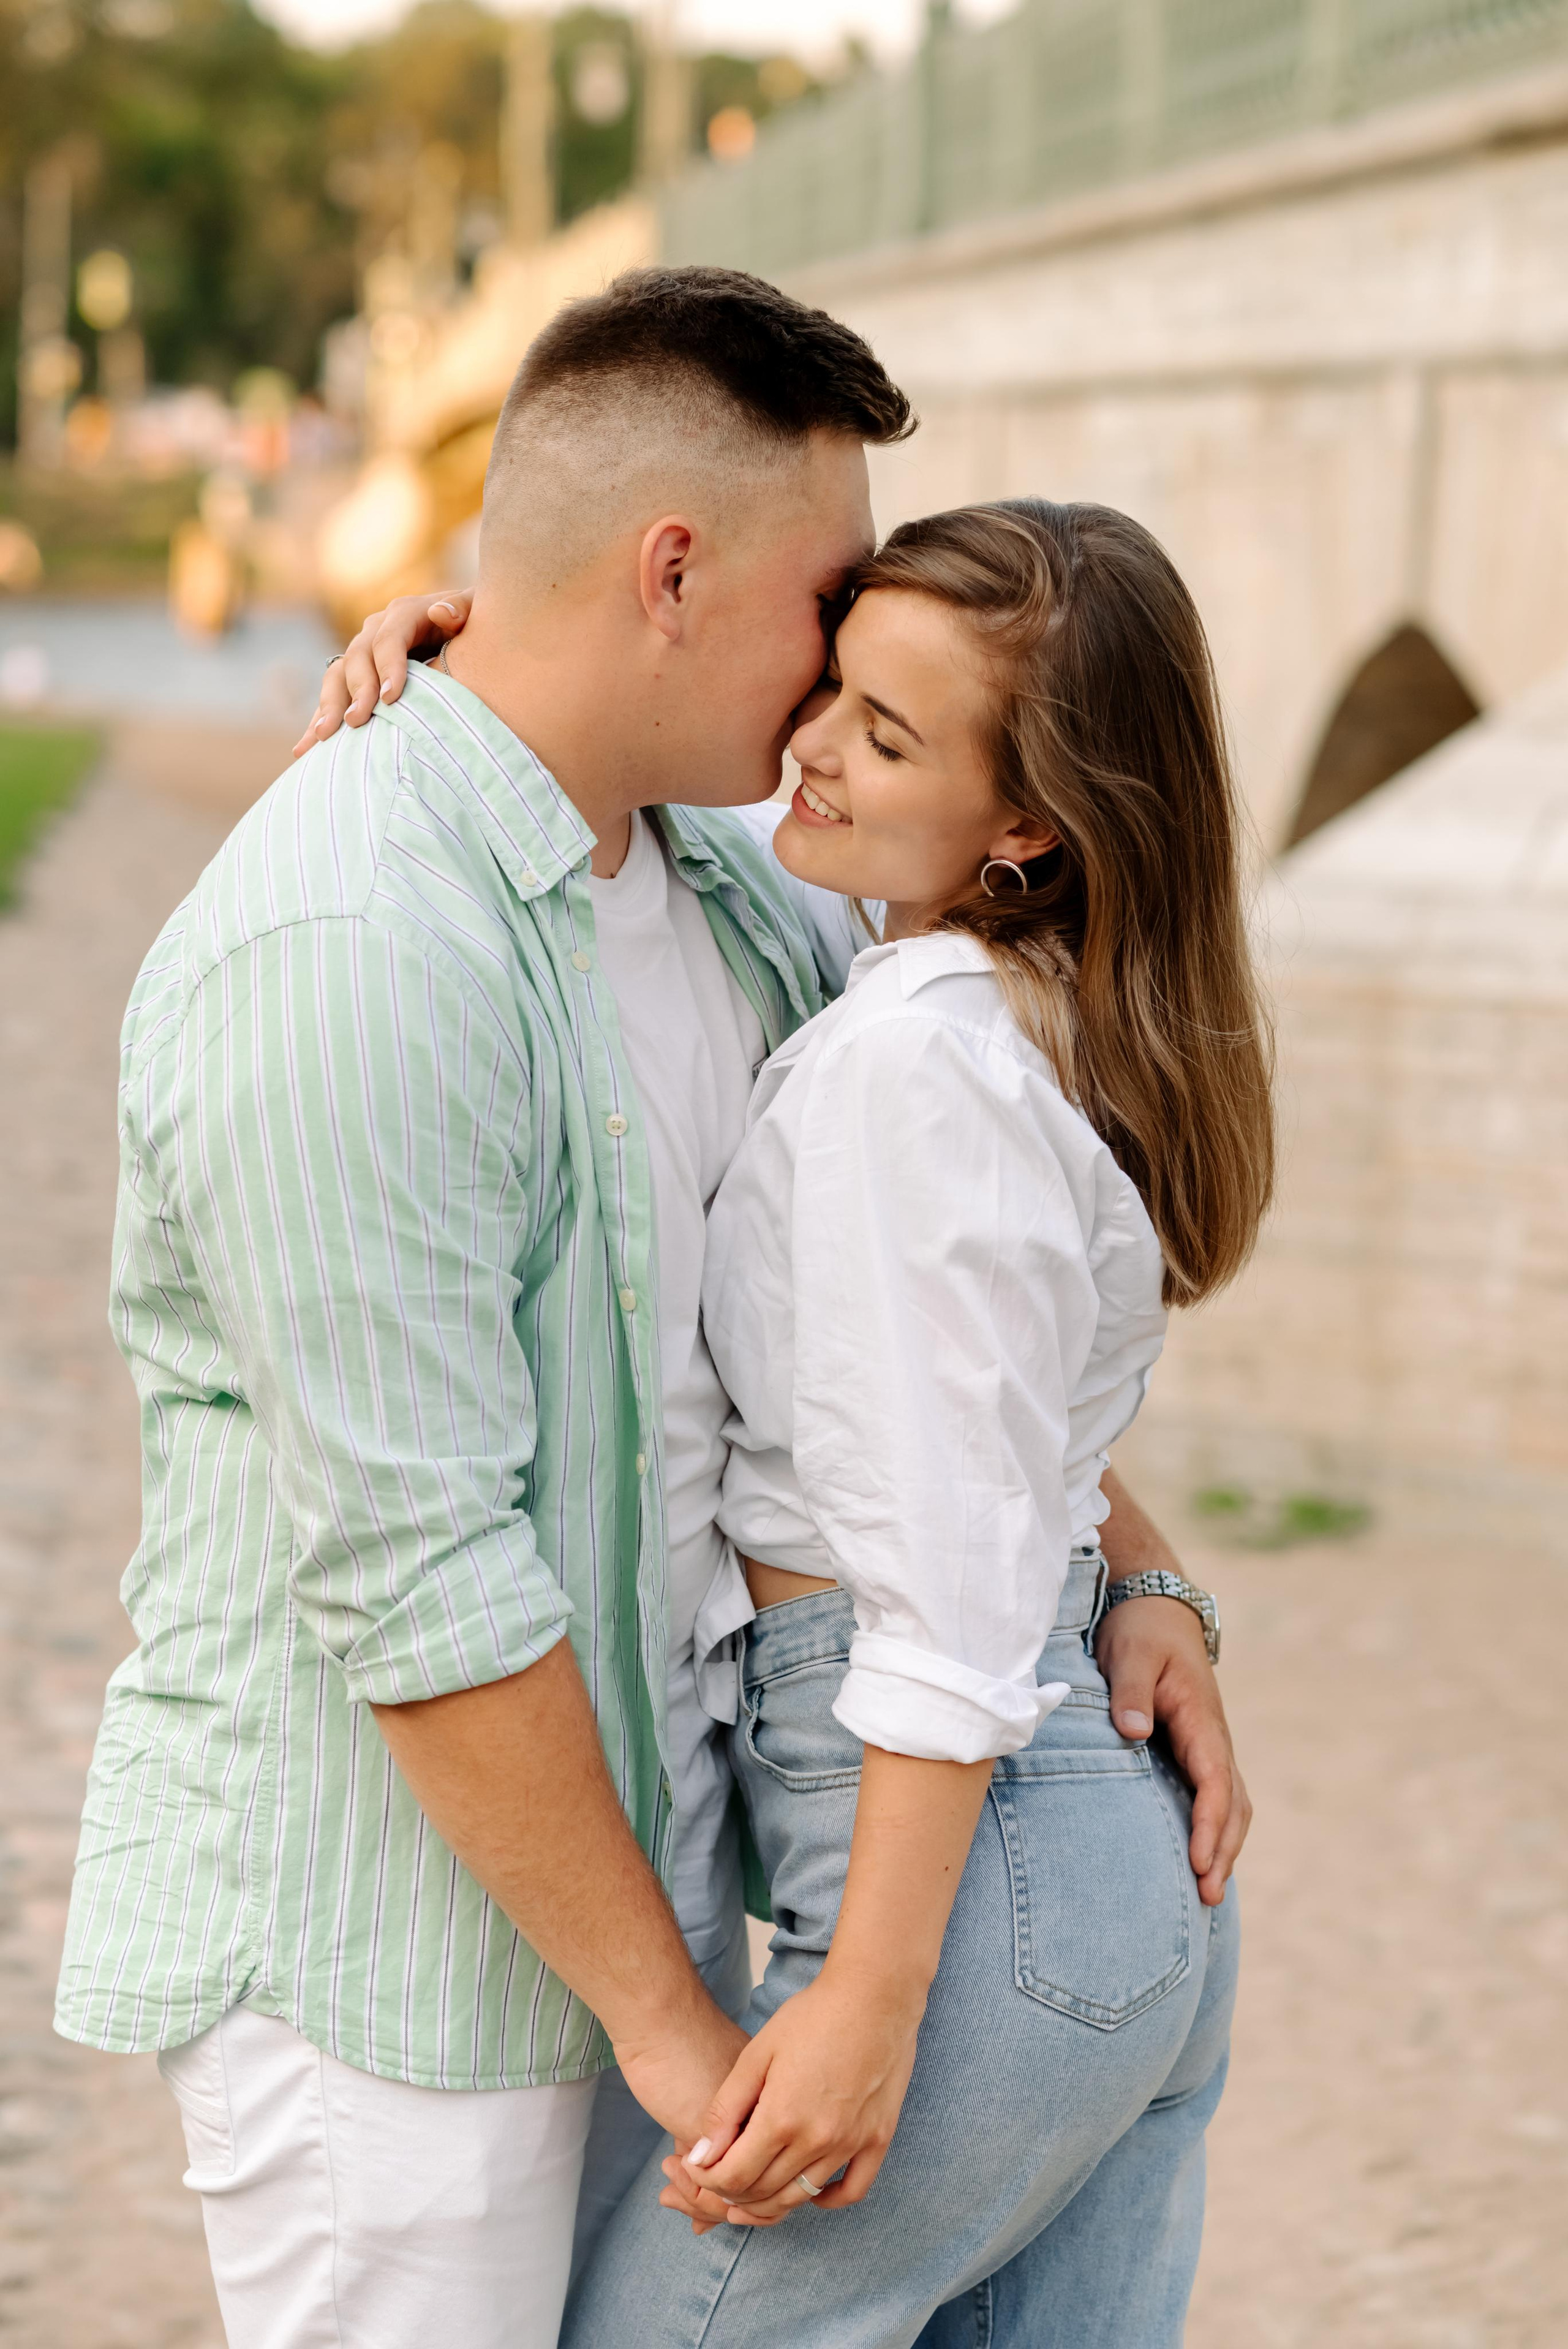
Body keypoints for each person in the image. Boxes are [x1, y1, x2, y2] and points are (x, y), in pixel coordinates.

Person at [55, 266, 1245, 2349]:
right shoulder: (352, 944)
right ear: (675, 569)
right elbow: (417, 1576)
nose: (833, 689)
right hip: (404, 1977)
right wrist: (684, 2032)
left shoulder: (742, 895)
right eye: (829, 612)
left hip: (672, 1916)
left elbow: (935, 1339)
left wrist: (1136, 1575)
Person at [557, 498, 1275, 2346]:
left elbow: (952, 1598)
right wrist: (492, 639)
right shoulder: (1023, 1010)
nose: (815, 747)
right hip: (1111, 1892)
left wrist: (869, 2006)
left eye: (887, 736)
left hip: (974, 1897)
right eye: (830, 686)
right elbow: (1013, 1448)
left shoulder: (907, 1066)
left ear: (1025, 823)